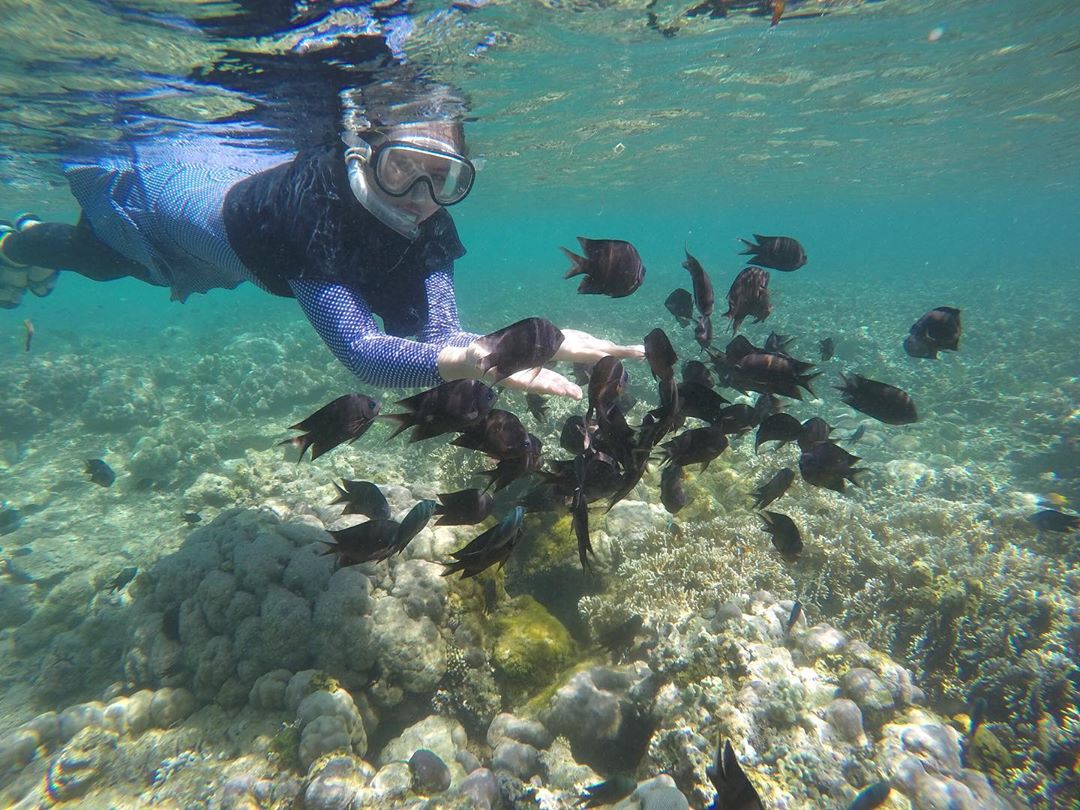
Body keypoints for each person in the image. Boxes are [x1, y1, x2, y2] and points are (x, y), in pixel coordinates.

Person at [0, 111, 642, 399]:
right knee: (104, 256)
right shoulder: (318, 218)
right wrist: (471, 362)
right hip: (176, 210)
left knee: (120, 264)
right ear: (365, 159)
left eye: (443, 181)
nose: (420, 198)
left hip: (246, 255)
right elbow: (362, 351)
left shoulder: (430, 222)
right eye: (402, 172)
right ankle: (15, 242)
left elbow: (439, 334)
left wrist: (516, 346)